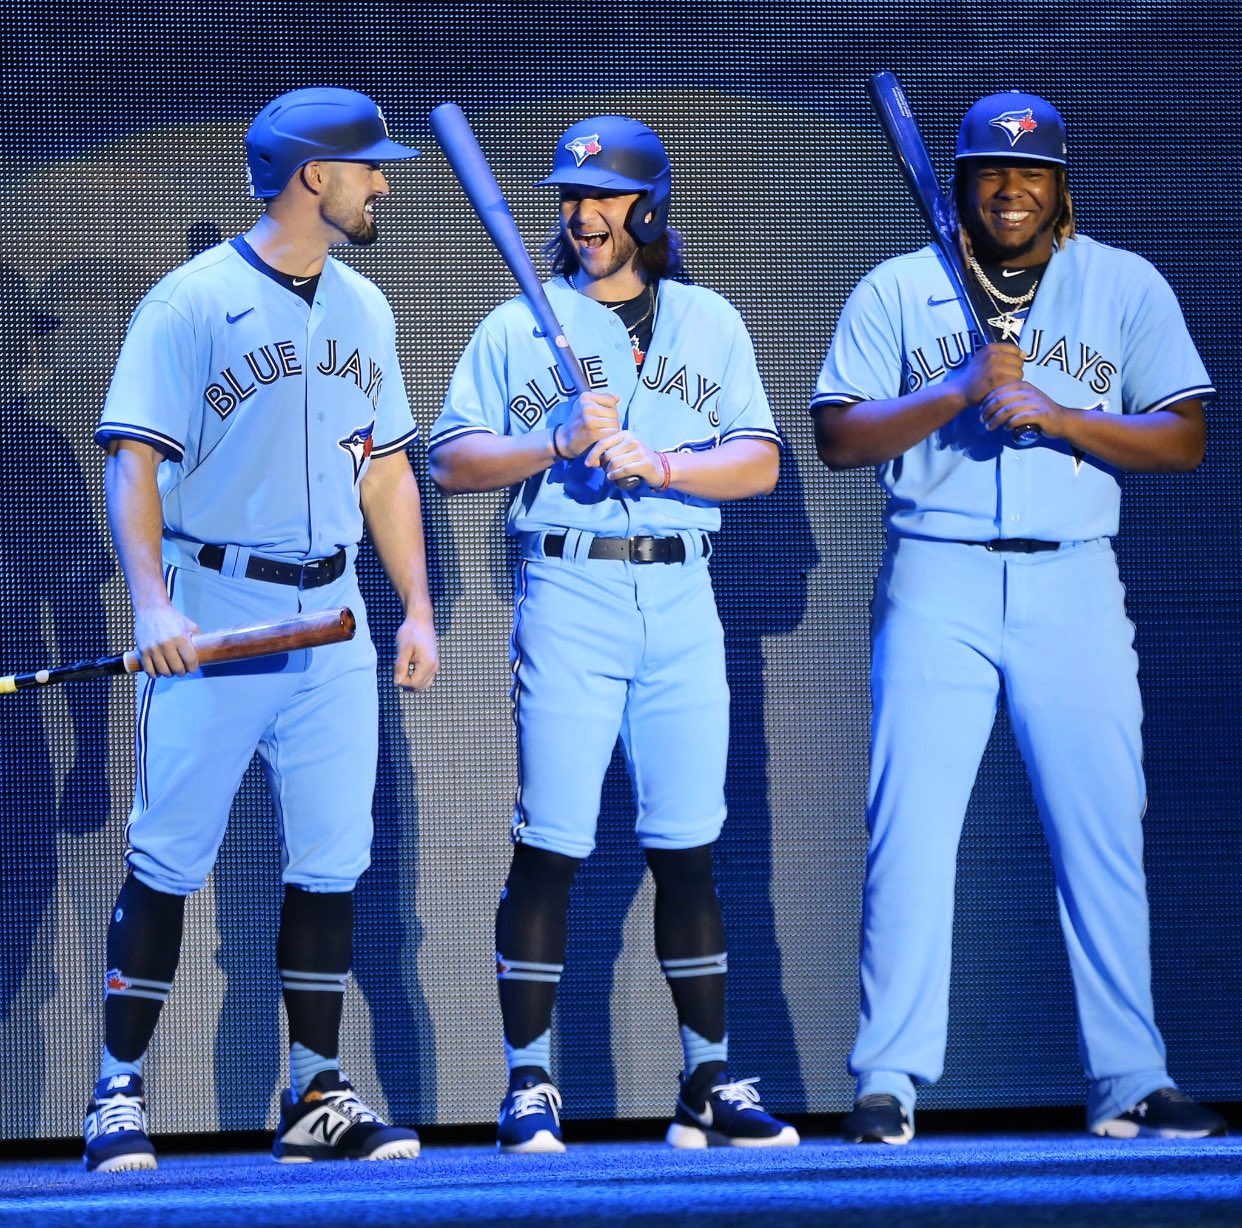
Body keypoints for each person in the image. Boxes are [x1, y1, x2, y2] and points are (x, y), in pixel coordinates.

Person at [812, 90, 1227, 1144]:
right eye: (991, 170)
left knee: (1102, 831)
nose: (1010, 187)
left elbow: (1185, 438)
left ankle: (1131, 1075)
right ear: (958, 183)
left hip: (1075, 579)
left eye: (1030, 171)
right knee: (909, 832)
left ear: (1060, 184)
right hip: (936, 573)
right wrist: (955, 391)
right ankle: (889, 1079)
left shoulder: (1122, 283)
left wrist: (1065, 416)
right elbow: (839, 439)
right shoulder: (899, 287)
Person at [83, 86, 439, 1172]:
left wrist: (416, 604)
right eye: (368, 166)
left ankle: (315, 1095)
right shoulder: (189, 304)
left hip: (334, 618)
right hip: (219, 607)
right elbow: (131, 461)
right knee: (169, 856)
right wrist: (153, 602)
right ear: (310, 178)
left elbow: (384, 469)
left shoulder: (365, 306)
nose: (384, 181)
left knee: (331, 860)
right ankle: (116, 1093)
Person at [430, 115, 799, 1154]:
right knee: (550, 842)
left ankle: (707, 1082)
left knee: (689, 848)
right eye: (569, 197)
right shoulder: (522, 321)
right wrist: (554, 438)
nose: (582, 214)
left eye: (602, 198)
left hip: (683, 596)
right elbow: (451, 460)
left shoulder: (709, 319)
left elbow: (762, 461)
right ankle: (530, 1083)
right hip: (571, 590)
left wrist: (667, 465)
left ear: (649, 206)